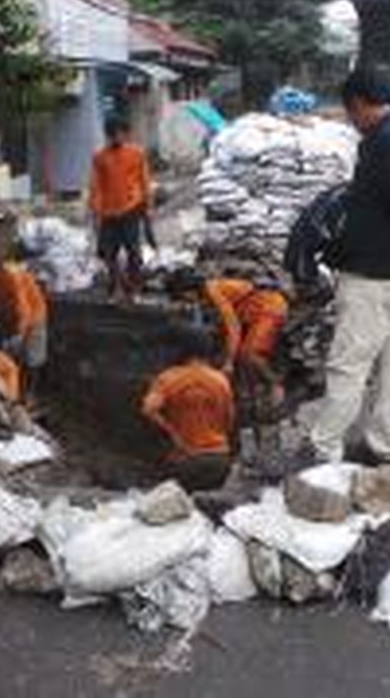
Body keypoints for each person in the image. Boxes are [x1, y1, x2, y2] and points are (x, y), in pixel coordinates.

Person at [308, 68, 390, 464]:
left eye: (351, 113)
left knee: (348, 362)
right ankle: (385, 443)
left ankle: (324, 450)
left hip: (372, 274)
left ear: (361, 104)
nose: (352, 121)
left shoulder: (382, 143)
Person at [168, 269, 288, 410]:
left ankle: (275, 384)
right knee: (238, 354)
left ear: (190, 289)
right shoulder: (206, 294)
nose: (185, 300)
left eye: (183, 296)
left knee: (249, 354)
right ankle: (248, 394)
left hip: (269, 308)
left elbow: (232, 326)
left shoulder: (213, 291)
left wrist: (228, 362)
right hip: (252, 314)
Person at [141, 342, 235, 492]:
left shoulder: (167, 378)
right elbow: (230, 422)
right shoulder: (221, 380)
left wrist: (172, 433)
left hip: (186, 462)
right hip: (220, 460)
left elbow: (148, 410)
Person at [88, 116, 153, 300]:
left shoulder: (137, 154)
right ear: (108, 135)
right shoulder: (100, 157)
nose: (117, 137)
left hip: (131, 208)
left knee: (134, 252)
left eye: (120, 133)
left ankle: (135, 289)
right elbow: (96, 185)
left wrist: (147, 208)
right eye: (113, 134)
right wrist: (95, 211)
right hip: (108, 212)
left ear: (125, 133)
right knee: (109, 253)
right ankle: (115, 287)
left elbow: (144, 180)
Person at [0, 257, 49, 380]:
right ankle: (13, 385)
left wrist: (19, 334)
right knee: (10, 355)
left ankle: (29, 393)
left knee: (31, 359)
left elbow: (23, 309)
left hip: (33, 316)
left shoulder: (13, 277)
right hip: (8, 316)